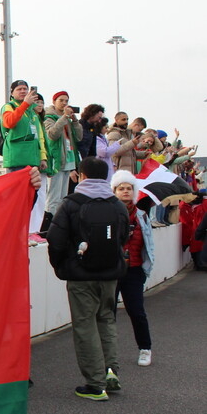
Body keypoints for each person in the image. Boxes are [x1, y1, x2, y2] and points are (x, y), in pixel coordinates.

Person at [46, 157, 129, 401]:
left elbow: (56, 239)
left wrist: (63, 266)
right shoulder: (117, 204)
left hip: (81, 276)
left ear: (81, 176)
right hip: (111, 274)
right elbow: (122, 237)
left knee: (85, 326)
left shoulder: (72, 203)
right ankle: (110, 371)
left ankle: (95, 385)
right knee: (107, 320)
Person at [110, 170, 155, 367]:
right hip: (112, 269)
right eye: (121, 188)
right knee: (107, 313)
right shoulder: (109, 214)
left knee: (136, 311)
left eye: (129, 188)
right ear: (115, 191)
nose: (126, 192)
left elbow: (149, 244)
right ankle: (107, 352)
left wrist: (147, 266)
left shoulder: (142, 216)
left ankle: (145, 349)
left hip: (134, 270)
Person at [42, 91, 82, 228]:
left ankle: (59, 224)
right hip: (56, 160)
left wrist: (74, 120)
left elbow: (79, 137)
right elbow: (52, 134)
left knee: (62, 197)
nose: (64, 103)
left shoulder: (68, 119)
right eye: (61, 100)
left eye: (66, 101)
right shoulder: (48, 117)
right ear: (54, 102)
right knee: (53, 196)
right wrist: (63, 117)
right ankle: (50, 224)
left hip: (68, 159)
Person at [0, 80, 46, 173]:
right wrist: (25, 104)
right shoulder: (8, 107)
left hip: (32, 159)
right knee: (17, 187)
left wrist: (42, 157)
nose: (23, 91)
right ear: (12, 93)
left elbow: (39, 137)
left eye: (25, 89)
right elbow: (9, 122)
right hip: (16, 159)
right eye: (19, 89)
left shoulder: (32, 112)